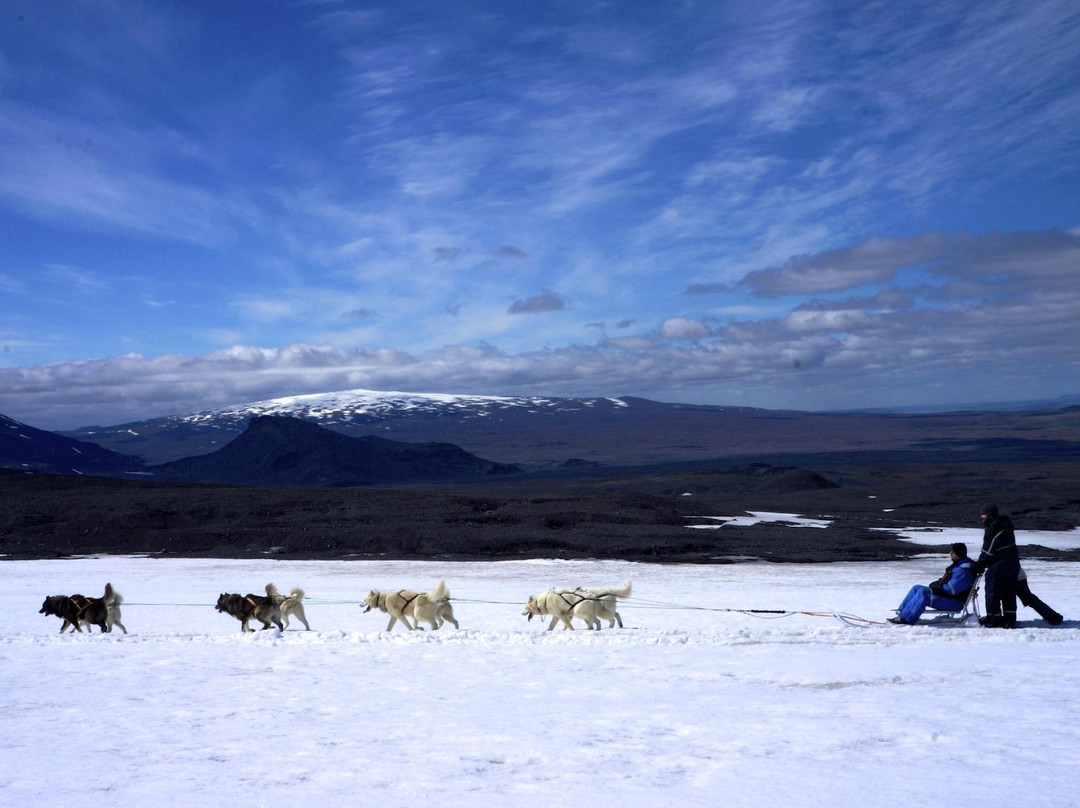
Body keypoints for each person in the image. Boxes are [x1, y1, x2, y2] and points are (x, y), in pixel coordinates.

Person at [888, 542, 976, 625]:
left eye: (952, 552)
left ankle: (906, 619)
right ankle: (901, 614)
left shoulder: (963, 571)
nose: (950, 553)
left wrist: (937, 586)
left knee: (924, 594)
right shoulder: (959, 566)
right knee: (917, 588)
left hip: (954, 603)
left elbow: (951, 589)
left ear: (958, 554)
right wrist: (937, 585)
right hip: (948, 598)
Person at [975, 503, 1021, 628]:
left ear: (990, 514)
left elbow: (988, 550)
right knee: (1008, 592)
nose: (981, 517)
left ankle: (993, 619)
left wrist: (979, 564)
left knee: (992, 591)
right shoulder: (1005, 526)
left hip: (1000, 564)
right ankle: (1009, 619)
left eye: (983, 514)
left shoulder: (995, 527)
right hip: (1012, 563)